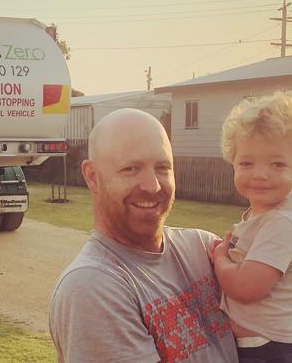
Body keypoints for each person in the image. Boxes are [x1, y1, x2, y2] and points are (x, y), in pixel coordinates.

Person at [49, 108, 238, 363]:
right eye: (130, 169)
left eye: (162, 168)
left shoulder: (202, 249)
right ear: (92, 177)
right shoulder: (91, 287)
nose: (153, 185)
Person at [211, 91, 292, 362]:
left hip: (274, 352)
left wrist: (219, 259)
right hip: (260, 347)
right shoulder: (263, 215)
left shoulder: (284, 223)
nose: (260, 174)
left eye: (277, 163)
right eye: (247, 163)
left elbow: (246, 287)